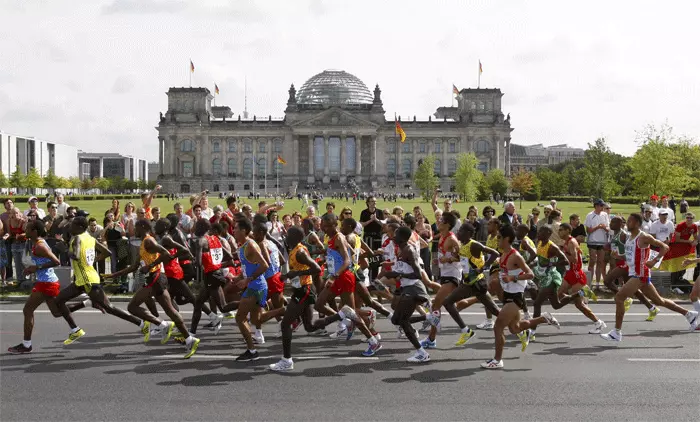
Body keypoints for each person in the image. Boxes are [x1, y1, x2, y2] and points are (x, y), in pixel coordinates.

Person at [600, 213, 699, 342]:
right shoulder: (630, 238)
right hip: (637, 273)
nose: (627, 223)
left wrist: (654, 261)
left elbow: (665, 247)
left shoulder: (644, 237)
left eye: (629, 221)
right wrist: (619, 256)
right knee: (659, 301)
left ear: (636, 223)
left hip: (640, 274)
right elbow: (630, 257)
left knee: (619, 297)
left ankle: (616, 332)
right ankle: (689, 314)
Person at [53, 217, 149, 345]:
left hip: (87, 280)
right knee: (59, 301)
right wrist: (91, 262)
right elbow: (107, 252)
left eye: (73, 225)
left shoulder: (77, 239)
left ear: (80, 227)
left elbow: (75, 256)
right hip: (84, 279)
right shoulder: (90, 238)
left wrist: (64, 249)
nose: (70, 227)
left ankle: (142, 323)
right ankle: (76, 328)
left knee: (110, 308)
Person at [481, 225, 559, 370]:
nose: (497, 240)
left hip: (516, 298)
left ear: (507, 239)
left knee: (498, 327)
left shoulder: (515, 256)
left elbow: (530, 274)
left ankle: (497, 360)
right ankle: (544, 318)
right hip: (507, 296)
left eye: (499, 237)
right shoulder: (502, 254)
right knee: (515, 328)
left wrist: (513, 277)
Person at [7, 220, 88, 354]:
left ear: (35, 232)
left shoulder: (40, 246)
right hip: (48, 282)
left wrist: (36, 267)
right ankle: (84, 308)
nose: (25, 230)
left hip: (46, 283)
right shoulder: (36, 243)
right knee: (56, 313)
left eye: (27, 229)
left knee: (27, 310)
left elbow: (56, 261)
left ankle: (26, 345)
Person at [310, 213, 382, 356]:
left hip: (343, 277)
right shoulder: (332, 238)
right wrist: (318, 252)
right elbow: (337, 252)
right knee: (319, 304)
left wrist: (334, 275)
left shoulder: (339, 238)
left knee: (352, 313)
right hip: (336, 277)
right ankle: (347, 321)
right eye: (322, 226)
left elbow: (347, 261)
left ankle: (373, 341)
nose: (323, 229)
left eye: (326, 226)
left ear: (334, 225)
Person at [269, 226, 322, 371]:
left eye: (288, 234)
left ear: (295, 238)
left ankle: (287, 360)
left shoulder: (299, 252)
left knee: (285, 324)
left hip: (305, 290)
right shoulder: (293, 250)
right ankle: (342, 315)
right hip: (302, 289)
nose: (285, 235)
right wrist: (286, 276)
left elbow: (316, 268)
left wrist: (295, 274)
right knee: (309, 326)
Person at [232, 218, 285, 361]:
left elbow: (264, 265)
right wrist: (236, 278)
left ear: (244, 231)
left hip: (256, 286)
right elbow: (248, 268)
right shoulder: (243, 245)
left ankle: (251, 351)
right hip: (255, 285)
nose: (233, 231)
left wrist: (247, 280)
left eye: (236, 228)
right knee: (257, 319)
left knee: (240, 318)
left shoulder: (251, 245)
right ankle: (286, 310)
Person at [380, 226, 434, 362]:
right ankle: (428, 317)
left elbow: (417, 274)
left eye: (396, 234)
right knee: (396, 320)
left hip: (414, 289)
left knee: (402, 321)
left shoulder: (409, 250)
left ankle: (422, 353)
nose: (393, 236)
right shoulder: (401, 250)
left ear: (403, 238)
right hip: (407, 288)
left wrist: (398, 273)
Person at [441, 222, 501, 346]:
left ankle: (466, 331)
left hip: (476, 282)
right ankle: (521, 331)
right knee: (496, 311)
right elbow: (465, 261)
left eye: (461, 231)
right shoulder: (463, 245)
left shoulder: (474, 244)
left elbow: (495, 253)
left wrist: (483, 267)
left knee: (447, 302)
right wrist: (454, 256)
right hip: (472, 282)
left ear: (468, 233)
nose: (458, 233)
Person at [419, 211, 461, 349]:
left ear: (447, 224)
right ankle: (481, 296)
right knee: (450, 305)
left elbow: (462, 257)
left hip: (453, 276)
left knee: (436, 305)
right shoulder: (442, 236)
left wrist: (448, 259)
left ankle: (432, 339)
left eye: (441, 220)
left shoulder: (451, 239)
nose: (438, 221)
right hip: (445, 275)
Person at [603, 216, 658, 321]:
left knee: (607, 280)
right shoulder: (613, 234)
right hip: (620, 262)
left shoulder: (624, 235)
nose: (611, 223)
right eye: (611, 221)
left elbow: (633, 246)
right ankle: (652, 308)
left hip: (626, 263)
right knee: (634, 289)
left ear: (621, 224)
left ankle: (626, 298)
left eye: (614, 222)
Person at [558, 223, 607, 334]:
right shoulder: (566, 242)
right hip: (570, 273)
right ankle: (582, 291)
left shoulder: (571, 242)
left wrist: (561, 254)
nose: (559, 232)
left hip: (575, 274)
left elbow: (574, 259)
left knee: (579, 305)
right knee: (559, 294)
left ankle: (598, 322)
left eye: (561, 230)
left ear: (567, 230)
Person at [585, 199, 610, 289]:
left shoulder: (605, 215)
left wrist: (604, 228)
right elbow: (588, 230)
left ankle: (598, 283)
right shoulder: (590, 215)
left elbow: (608, 228)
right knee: (592, 260)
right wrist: (597, 227)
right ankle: (589, 282)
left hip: (602, 242)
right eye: (600, 206)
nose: (602, 207)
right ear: (596, 206)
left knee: (600, 262)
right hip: (592, 241)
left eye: (602, 206)